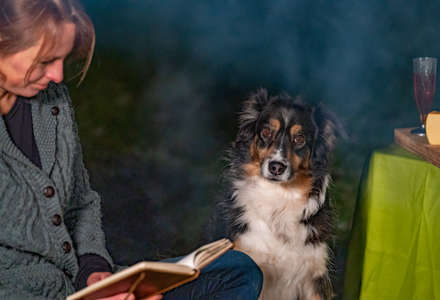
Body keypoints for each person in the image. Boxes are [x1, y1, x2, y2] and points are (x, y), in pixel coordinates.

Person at [0, 0, 263, 299]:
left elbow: (80, 201)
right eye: (46, 60)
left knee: (236, 270)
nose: (58, 75)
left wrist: (93, 271)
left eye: (63, 58)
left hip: (82, 288)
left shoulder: (51, 100)